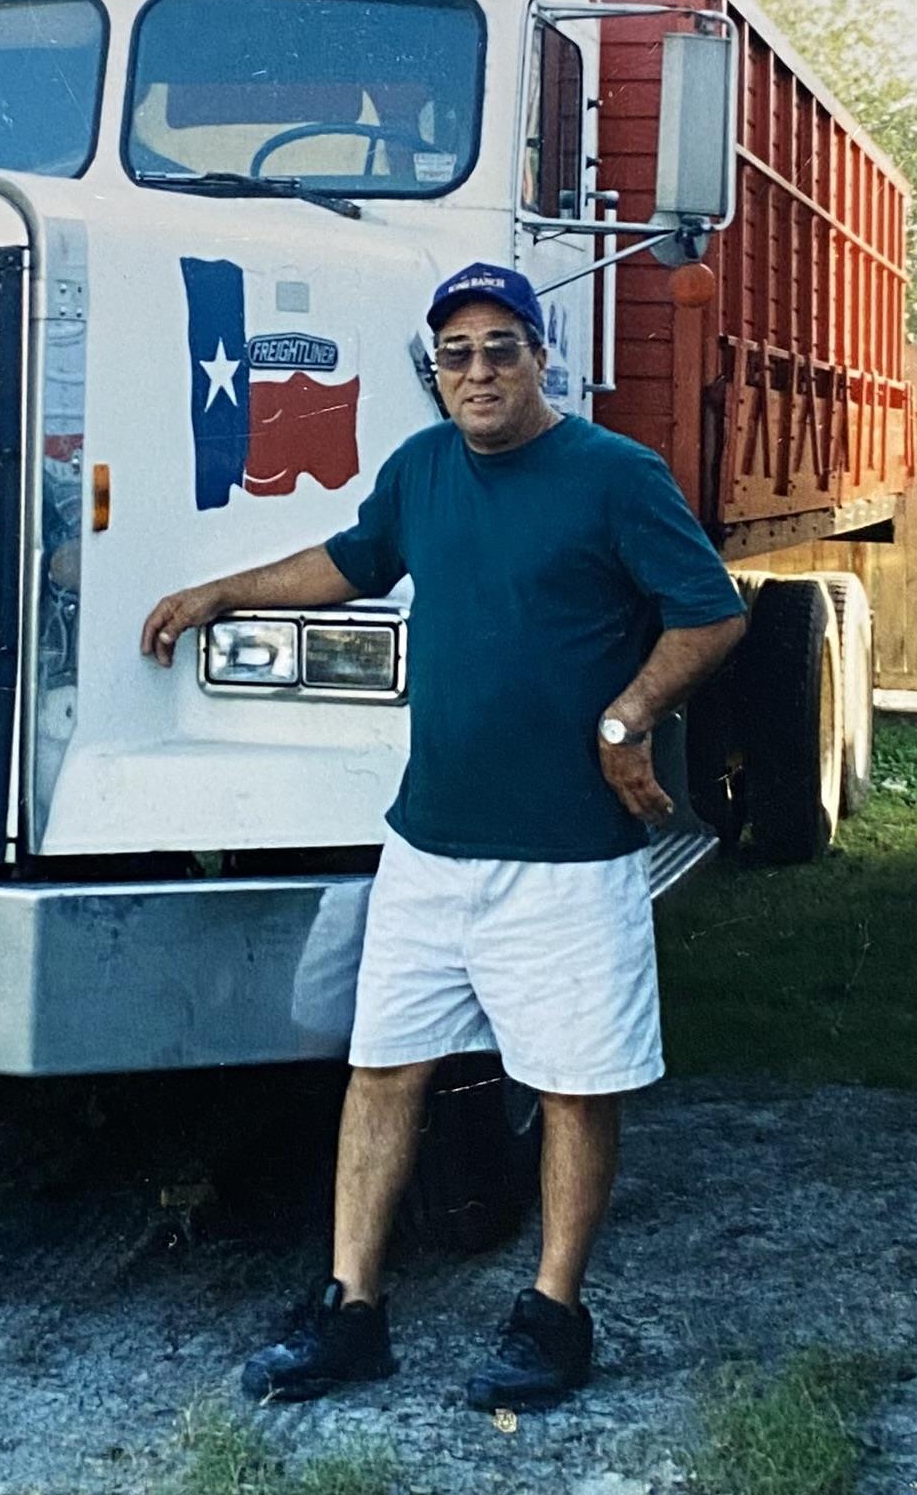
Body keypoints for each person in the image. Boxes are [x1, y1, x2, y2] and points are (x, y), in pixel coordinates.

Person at [141, 262, 747, 1413]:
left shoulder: (615, 476)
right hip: (429, 847)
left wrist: (626, 719)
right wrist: (220, 592)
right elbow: (349, 562)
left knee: (574, 1086)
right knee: (380, 1073)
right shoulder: (422, 470)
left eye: (499, 347)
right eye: (454, 353)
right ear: (436, 371)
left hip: (566, 858)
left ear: (538, 356)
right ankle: (349, 1311)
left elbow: (710, 610)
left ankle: (553, 1317)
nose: (477, 370)